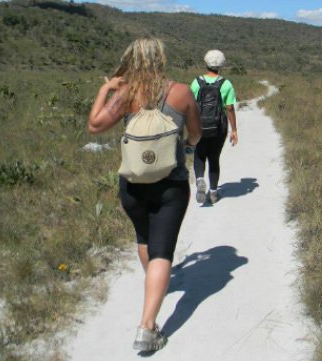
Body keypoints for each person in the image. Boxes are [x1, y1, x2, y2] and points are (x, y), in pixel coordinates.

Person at [88, 38, 201, 352]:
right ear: (161, 59)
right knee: (162, 251)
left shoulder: (126, 94)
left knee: (144, 239)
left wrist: (104, 90)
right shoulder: (180, 92)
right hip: (171, 184)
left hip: (133, 186)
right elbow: (196, 133)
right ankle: (147, 328)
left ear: (132, 60)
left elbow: (95, 126)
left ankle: (154, 283)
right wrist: (187, 145)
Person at [190, 49, 238, 204]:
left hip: (199, 126)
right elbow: (229, 108)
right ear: (222, 64)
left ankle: (199, 180)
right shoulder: (226, 84)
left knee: (199, 155)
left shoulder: (196, 82)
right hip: (219, 126)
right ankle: (213, 193)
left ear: (206, 63)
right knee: (214, 158)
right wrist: (234, 130)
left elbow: (191, 105)